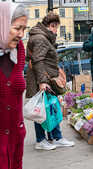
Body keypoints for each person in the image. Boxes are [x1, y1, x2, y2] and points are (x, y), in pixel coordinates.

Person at [26, 12, 74, 150]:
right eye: (55, 27)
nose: (56, 31)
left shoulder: (42, 37)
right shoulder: (41, 38)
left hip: (46, 78)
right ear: (50, 26)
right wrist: (42, 81)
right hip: (42, 80)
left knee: (50, 108)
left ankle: (55, 137)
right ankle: (41, 140)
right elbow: (38, 60)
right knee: (41, 110)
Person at [0, 2, 28, 169]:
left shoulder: (19, 50)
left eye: (24, 29)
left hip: (15, 139)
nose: (21, 34)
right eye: (17, 28)